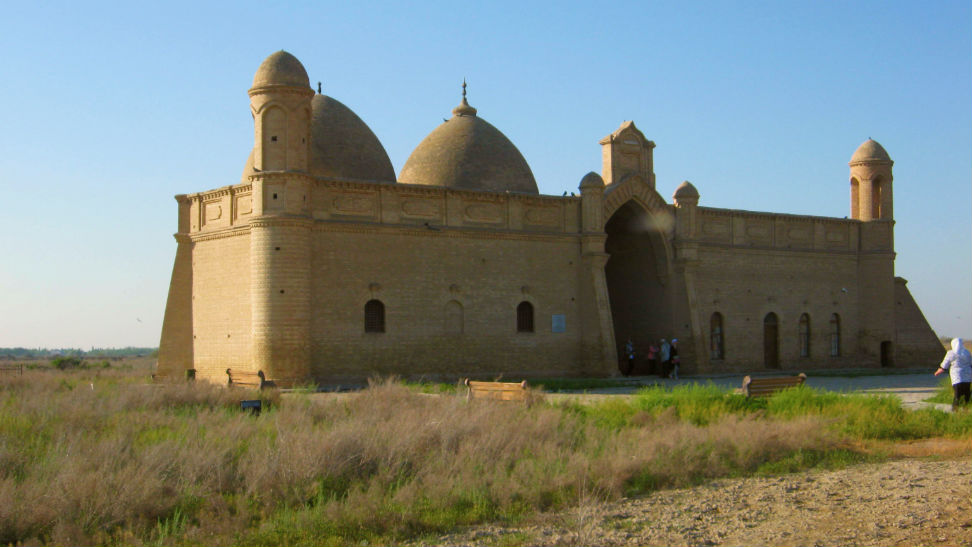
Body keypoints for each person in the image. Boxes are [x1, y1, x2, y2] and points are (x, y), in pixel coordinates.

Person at [935, 338, 971, 411]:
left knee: (958, 395)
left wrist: (938, 372)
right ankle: (965, 410)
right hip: (968, 377)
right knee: (966, 394)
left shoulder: (951, 353)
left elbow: (944, 365)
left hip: (957, 377)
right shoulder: (966, 352)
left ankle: (955, 410)